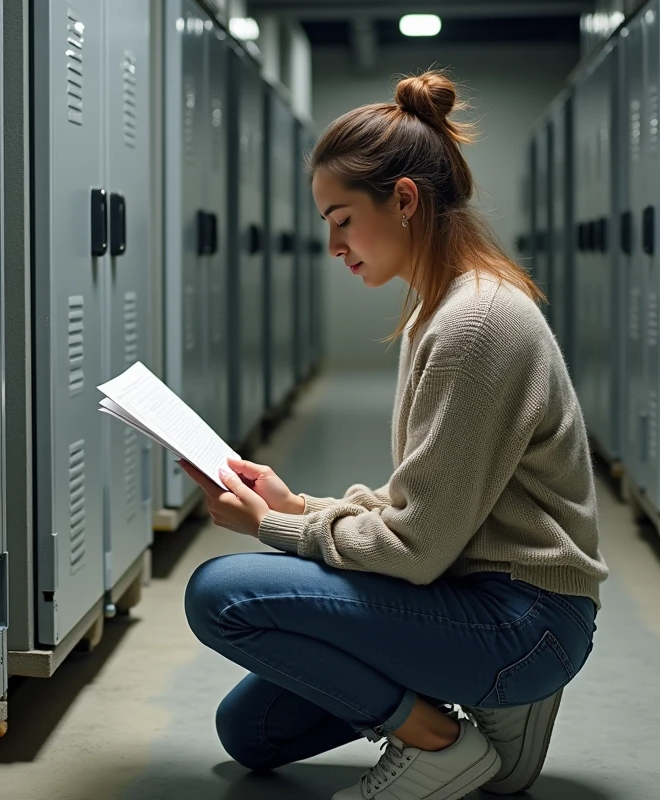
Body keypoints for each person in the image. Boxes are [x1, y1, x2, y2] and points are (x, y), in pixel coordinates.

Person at [178, 69, 609, 800]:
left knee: (220, 594)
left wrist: (276, 528)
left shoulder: (475, 323)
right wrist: (297, 504)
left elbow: (414, 550)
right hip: (477, 593)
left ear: (403, 200)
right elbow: (425, 504)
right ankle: (499, 712)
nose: (333, 244)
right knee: (251, 733)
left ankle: (444, 742)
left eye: (342, 218)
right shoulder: (438, 312)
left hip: (525, 617)